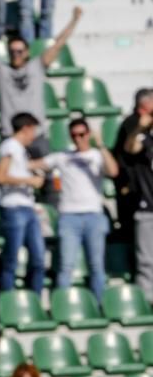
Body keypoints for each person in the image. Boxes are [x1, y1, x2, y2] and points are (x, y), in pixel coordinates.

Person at [0, 6, 82, 156]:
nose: (16, 55)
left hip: (36, 135)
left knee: (47, 176)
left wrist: (74, 20)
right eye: (12, 51)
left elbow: (58, 44)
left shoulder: (37, 66)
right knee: (9, 177)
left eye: (20, 51)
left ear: (27, 52)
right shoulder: (1, 70)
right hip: (10, 135)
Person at [41, 118, 118, 301]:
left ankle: (99, 306)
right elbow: (36, 164)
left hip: (94, 216)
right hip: (69, 217)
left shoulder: (97, 155)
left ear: (88, 134)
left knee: (97, 266)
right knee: (66, 267)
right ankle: (62, 305)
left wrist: (100, 145)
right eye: (74, 135)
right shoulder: (62, 157)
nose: (78, 139)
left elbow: (113, 171)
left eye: (82, 134)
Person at [0, 112, 46, 293]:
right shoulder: (10, 146)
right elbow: (1, 176)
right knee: (11, 261)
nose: (34, 136)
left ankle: (35, 304)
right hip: (14, 207)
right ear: (26, 128)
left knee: (38, 260)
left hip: (27, 206)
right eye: (33, 130)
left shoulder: (22, 151)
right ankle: (8, 304)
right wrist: (29, 181)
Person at [120, 98, 153, 303]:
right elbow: (130, 148)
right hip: (148, 207)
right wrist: (139, 127)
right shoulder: (143, 138)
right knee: (147, 262)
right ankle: (147, 303)